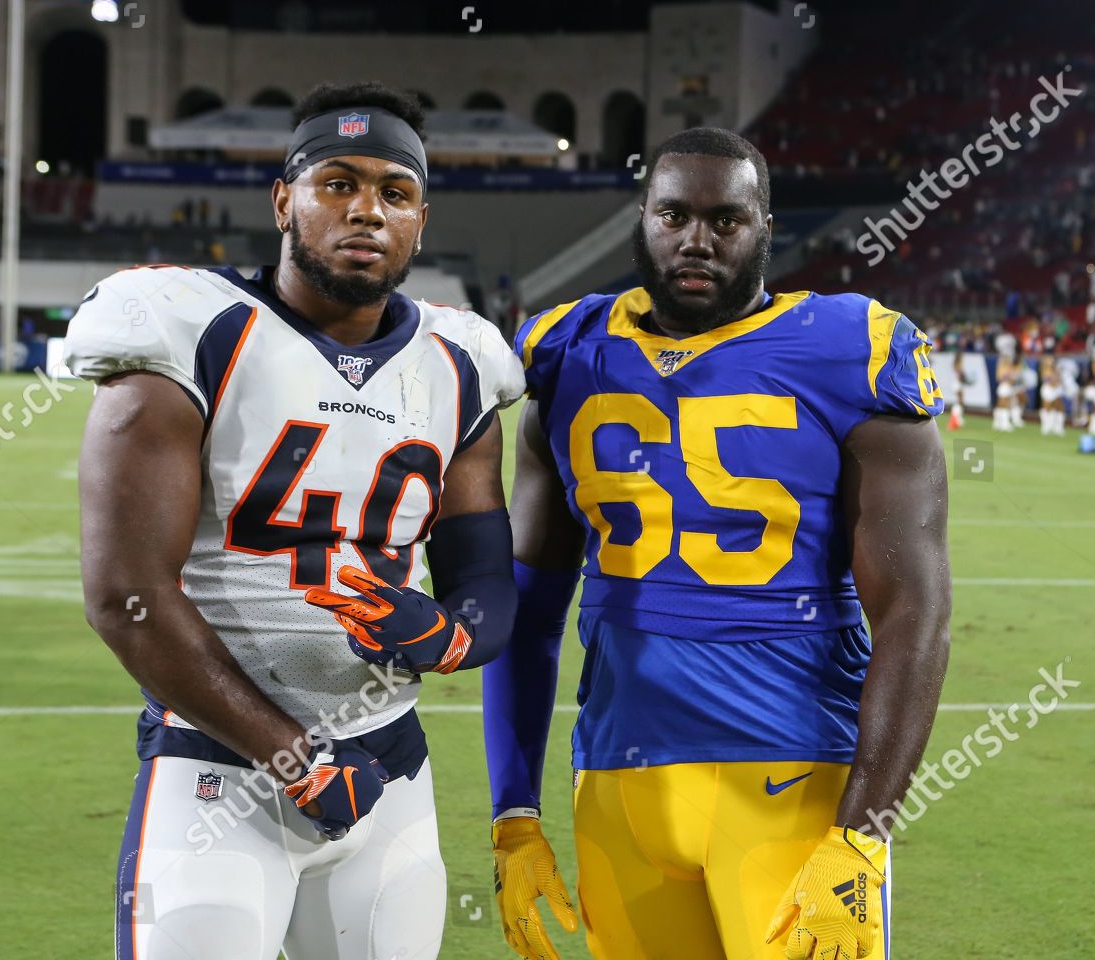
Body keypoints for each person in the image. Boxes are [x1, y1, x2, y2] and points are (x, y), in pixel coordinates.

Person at [63, 82, 524, 959]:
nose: (366, 211)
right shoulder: (190, 328)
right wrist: (293, 756)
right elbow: (125, 593)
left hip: (389, 770)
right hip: (217, 771)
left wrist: (447, 636)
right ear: (284, 200)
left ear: (421, 219)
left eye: (395, 192)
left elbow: (486, 580)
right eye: (337, 183)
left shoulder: (461, 362)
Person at [482, 128, 951, 960]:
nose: (696, 239)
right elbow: (529, 607)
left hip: (792, 781)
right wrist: (514, 814)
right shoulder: (566, 354)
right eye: (675, 215)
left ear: (766, 226)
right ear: (644, 218)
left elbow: (916, 612)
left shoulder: (851, 349)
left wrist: (861, 838)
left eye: (725, 220)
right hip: (618, 780)